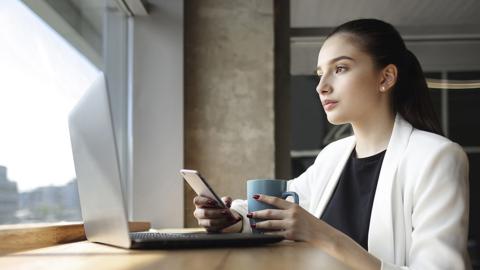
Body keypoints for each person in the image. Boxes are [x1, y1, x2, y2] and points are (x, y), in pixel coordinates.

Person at [192, 18, 470, 270]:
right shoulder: (333, 156)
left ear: (385, 78)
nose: (321, 85)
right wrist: (232, 218)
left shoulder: (436, 157)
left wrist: (323, 235)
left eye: (340, 68)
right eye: (320, 72)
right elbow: (280, 207)